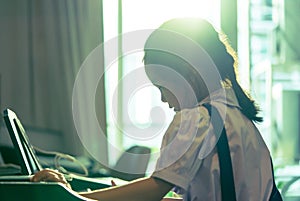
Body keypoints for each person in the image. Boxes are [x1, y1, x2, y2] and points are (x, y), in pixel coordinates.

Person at [31, 18, 281, 201]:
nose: (162, 99)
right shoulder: (237, 117)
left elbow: (156, 188)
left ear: (189, 73)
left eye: (162, 86)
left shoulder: (197, 119)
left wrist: (75, 196)